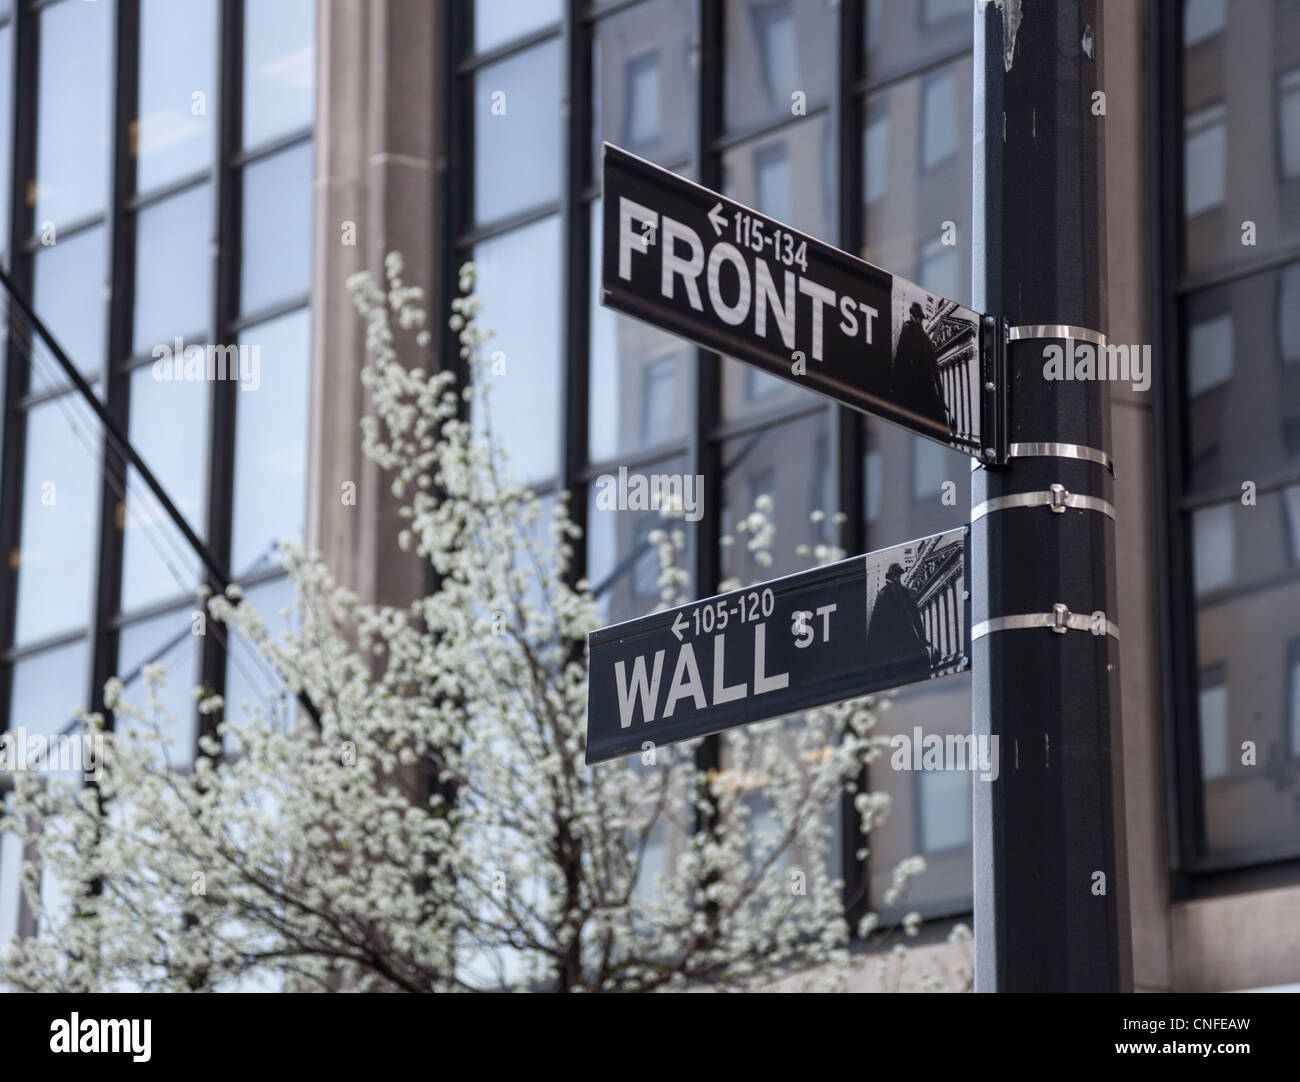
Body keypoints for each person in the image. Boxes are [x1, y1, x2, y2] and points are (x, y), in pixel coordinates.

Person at [892, 301, 953, 435]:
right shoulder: (908, 328)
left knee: (938, 426)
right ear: (913, 315)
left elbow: (935, 370)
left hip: (927, 390)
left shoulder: (926, 338)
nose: (919, 320)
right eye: (917, 316)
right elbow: (900, 361)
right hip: (915, 390)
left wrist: (941, 398)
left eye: (920, 317)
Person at [865, 563, 932, 676]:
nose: (897, 577)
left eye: (898, 575)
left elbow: (916, 617)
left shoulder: (906, 592)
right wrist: (871, 647)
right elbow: (876, 622)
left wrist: (922, 638)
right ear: (890, 576)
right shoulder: (883, 593)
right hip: (890, 640)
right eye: (895, 575)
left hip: (907, 635)